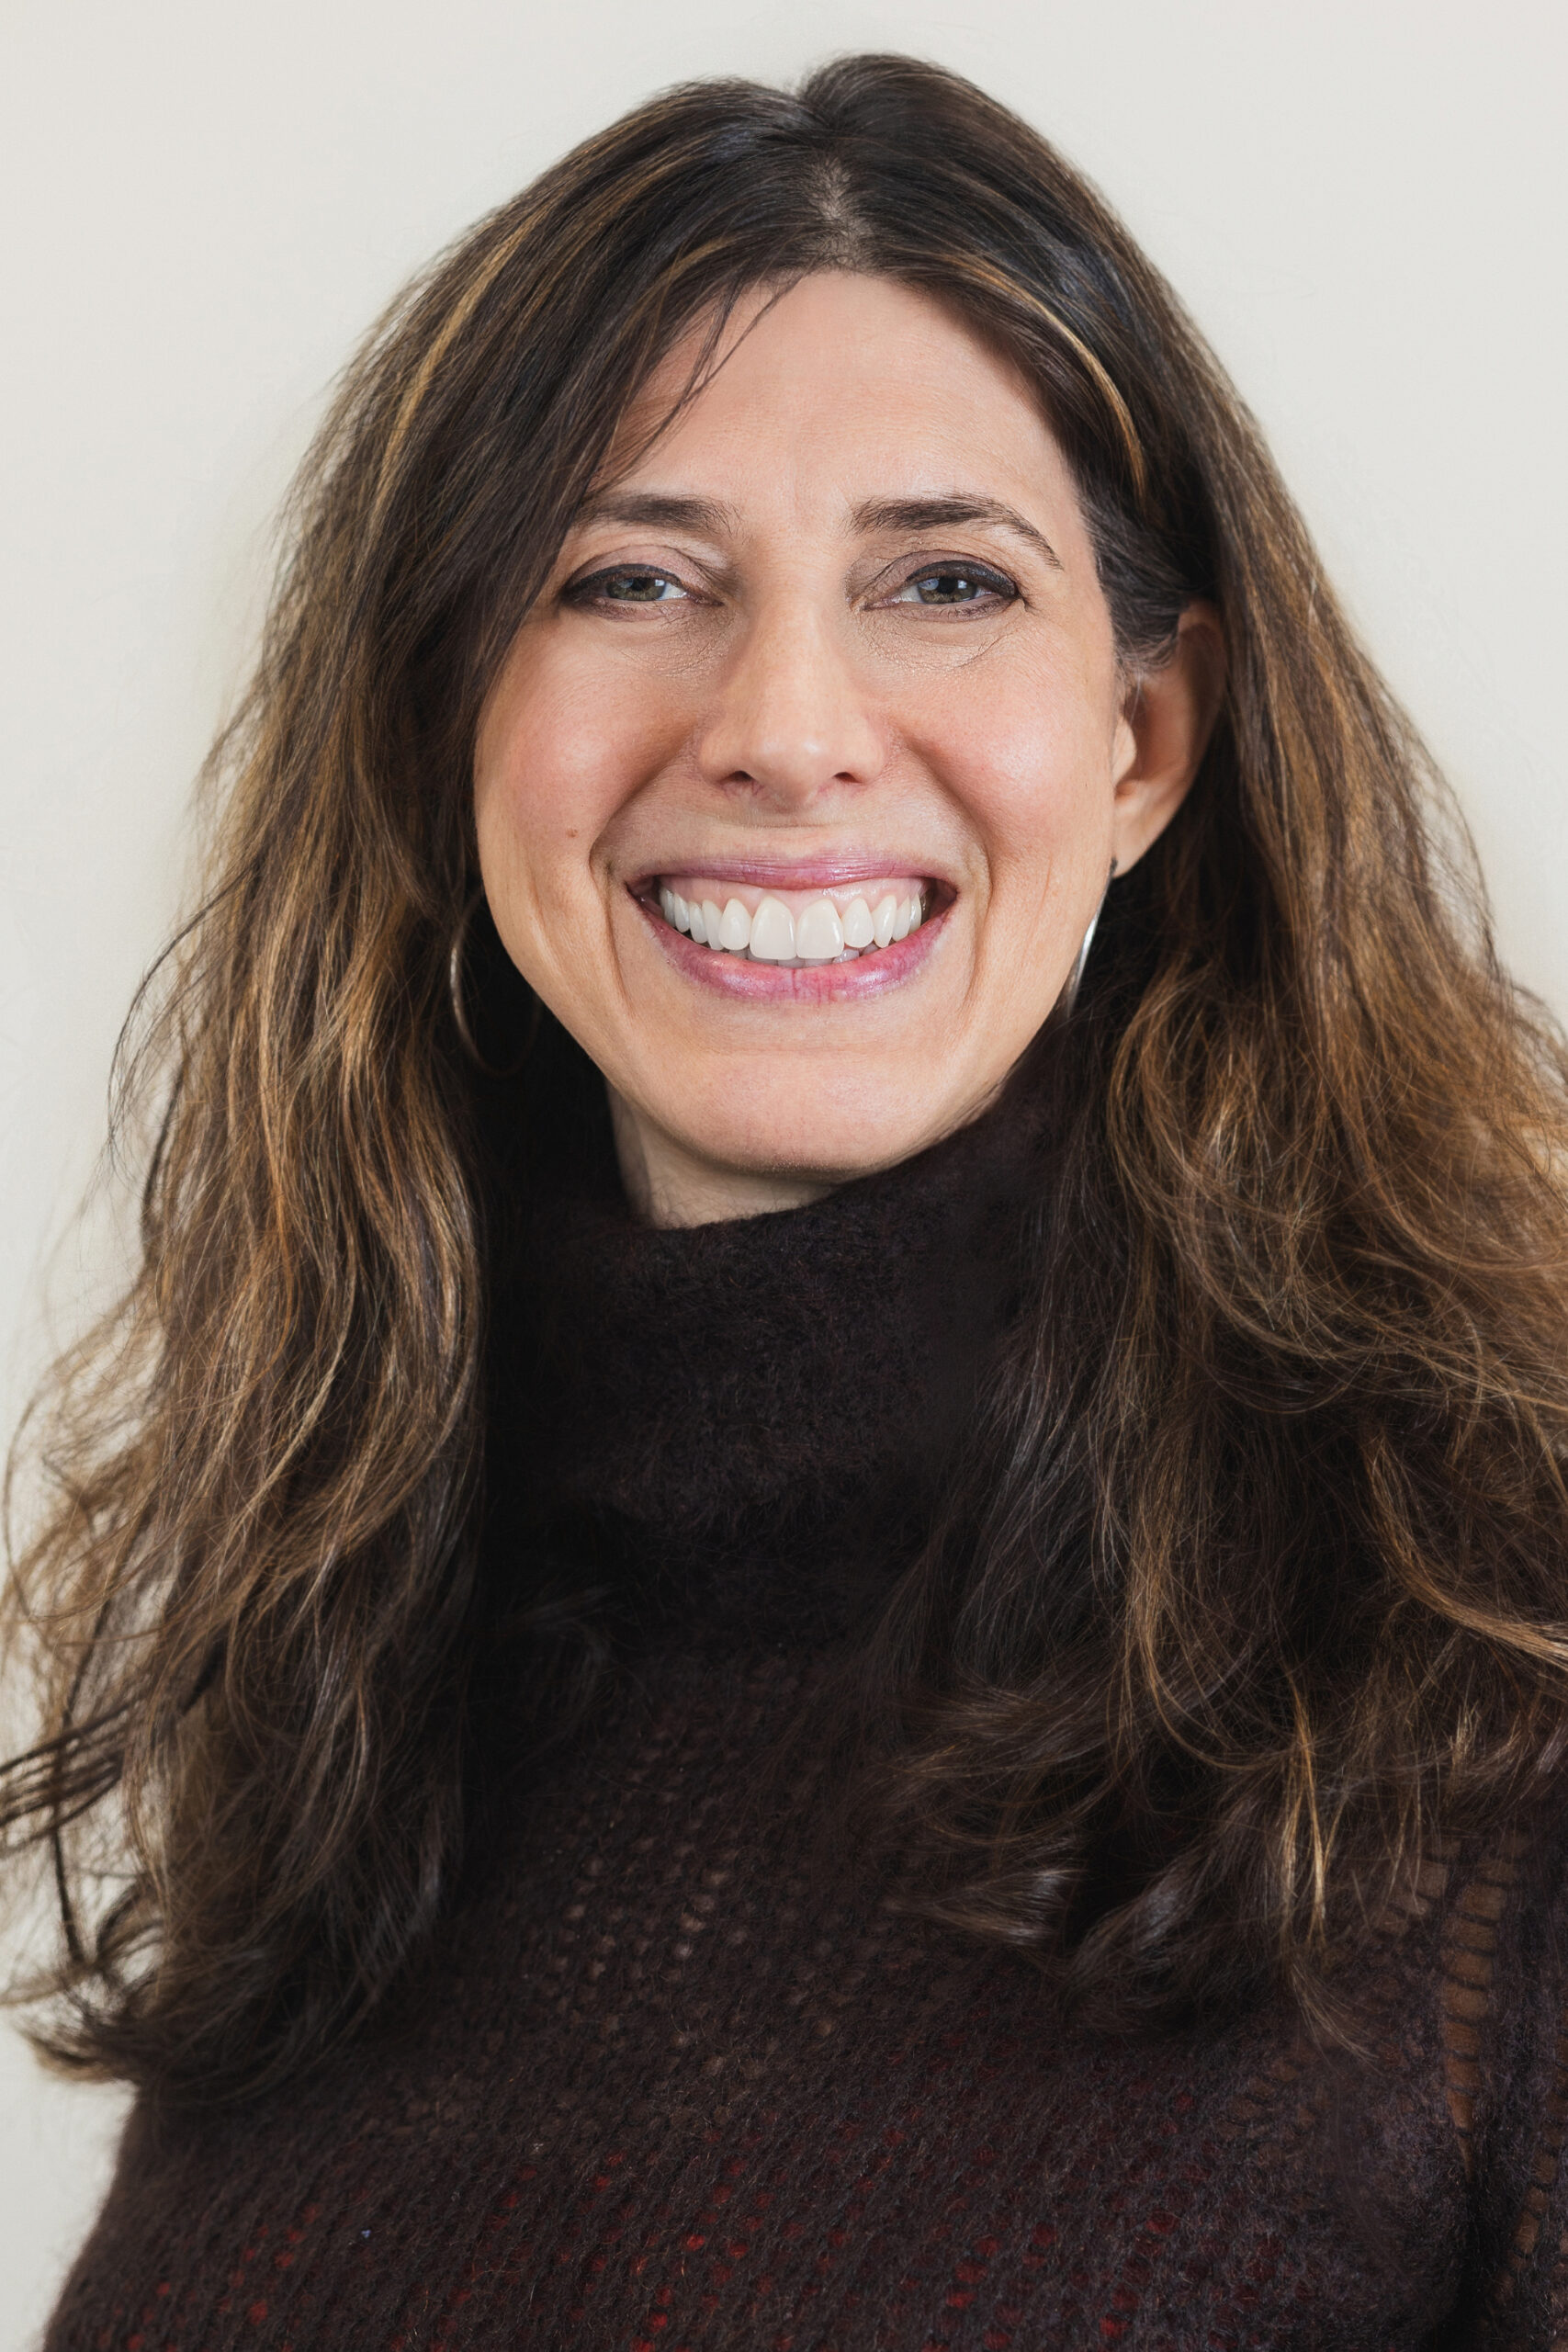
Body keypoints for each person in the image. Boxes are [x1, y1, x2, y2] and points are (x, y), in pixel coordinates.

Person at [8, 51, 1568, 2349]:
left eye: (945, 578)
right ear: (449, 719)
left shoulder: (1496, 1693)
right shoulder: (351, 1661)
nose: (786, 724)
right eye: (630, 576)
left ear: (1143, 739)